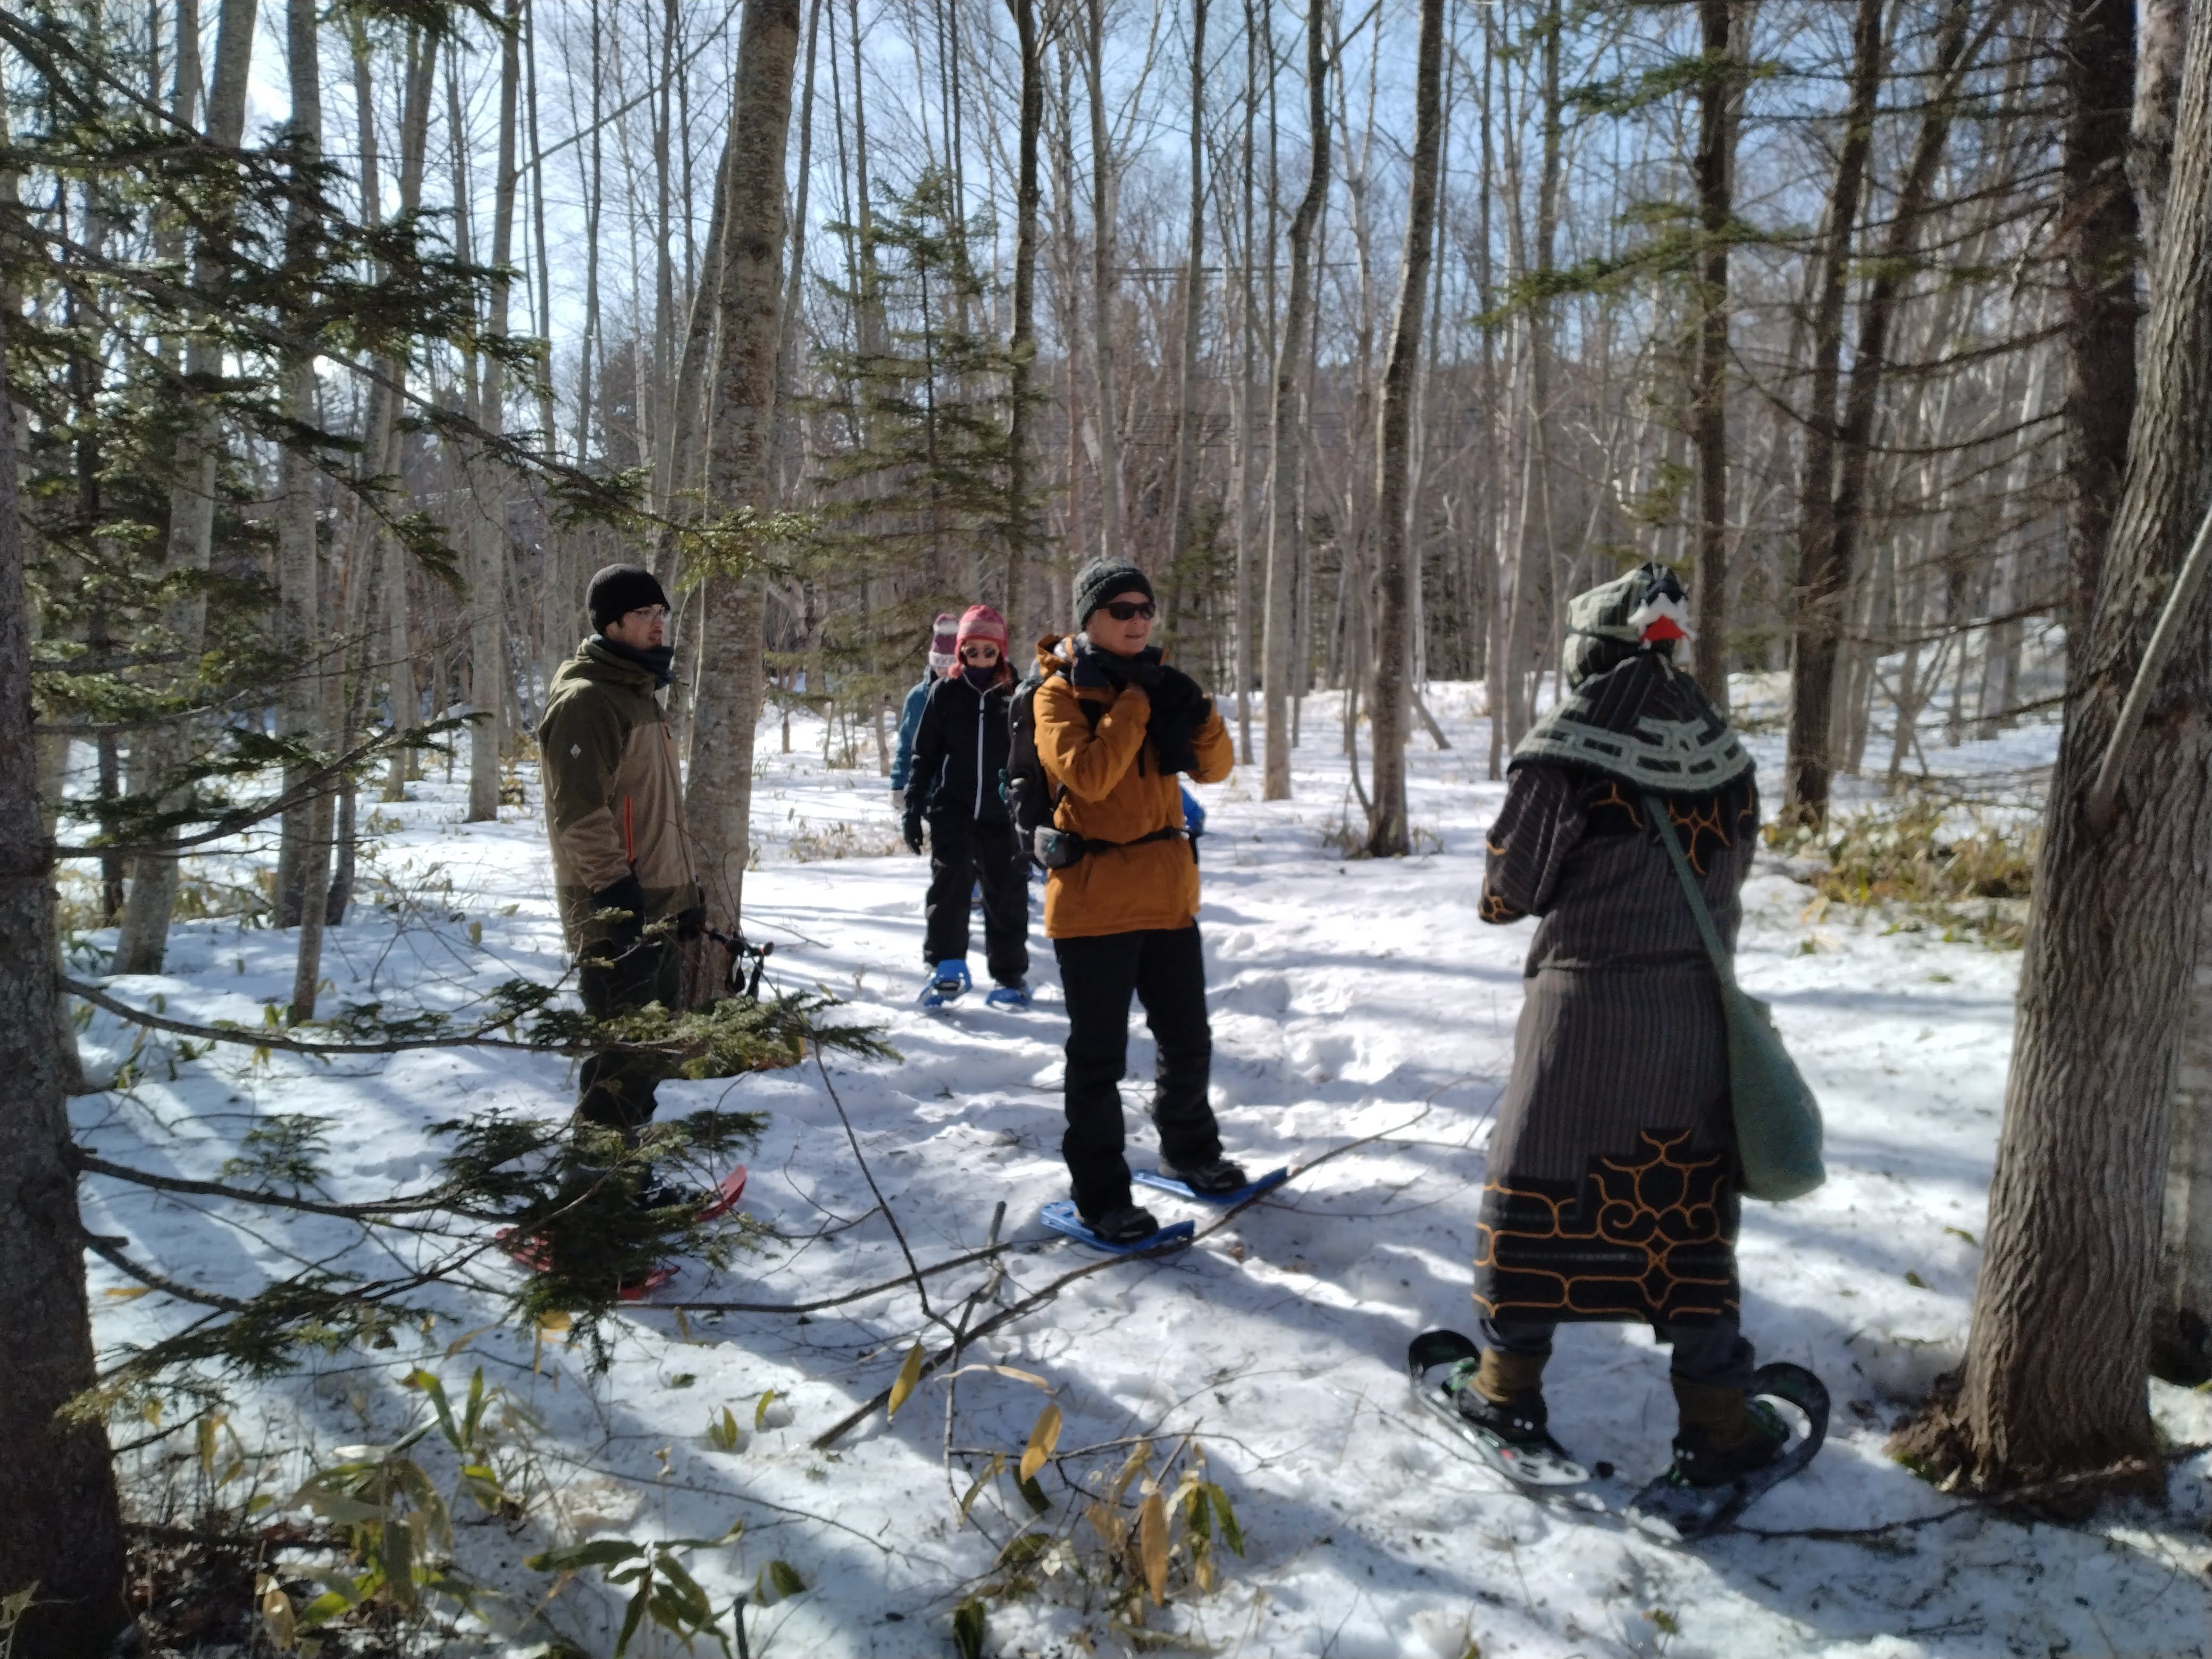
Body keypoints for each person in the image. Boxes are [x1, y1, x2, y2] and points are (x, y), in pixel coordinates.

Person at [1457, 560, 1784, 1487]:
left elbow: (1505, 894)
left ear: (1586, 655)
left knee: (1535, 1195)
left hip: (1581, 1018)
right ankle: (1718, 1423)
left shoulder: (1567, 753)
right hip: (1688, 1023)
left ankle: (1505, 1390)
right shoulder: (1728, 758)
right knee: (1682, 1211)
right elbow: (1730, 876)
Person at [1031, 558, 1245, 1243]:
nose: (1136, 621)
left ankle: (1190, 1151)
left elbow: (1214, 769)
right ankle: (1101, 1196)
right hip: (1093, 904)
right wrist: (1134, 703)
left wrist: (1198, 709)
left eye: (1144, 610)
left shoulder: (1159, 685)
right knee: (1097, 1059)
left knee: (1188, 1041)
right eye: (1120, 610)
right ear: (1088, 618)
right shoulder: (1057, 695)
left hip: (1166, 896)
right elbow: (1089, 778)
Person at [538, 563, 706, 1204]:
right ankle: (595, 1194)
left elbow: (654, 808)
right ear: (609, 624)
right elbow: (578, 813)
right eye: (643, 615)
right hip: (616, 908)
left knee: (648, 1052)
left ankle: (622, 1180)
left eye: (661, 613)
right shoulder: (587, 699)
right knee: (622, 1056)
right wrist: (614, 893)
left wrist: (683, 893)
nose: (658, 623)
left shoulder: (638, 691)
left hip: (656, 899)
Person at [904, 605, 1030, 1007]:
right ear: (959, 652)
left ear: (1001, 652)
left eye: (988, 652)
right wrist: (913, 806)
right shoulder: (946, 693)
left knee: (1006, 897)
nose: (979, 660)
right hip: (953, 811)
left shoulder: (1017, 694)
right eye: (971, 651)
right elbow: (923, 754)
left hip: (1003, 816)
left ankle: (1009, 976)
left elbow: (1035, 757)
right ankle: (946, 967)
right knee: (949, 891)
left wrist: (1033, 809)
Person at [892, 613, 961, 811]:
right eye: (940, 665)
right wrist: (899, 785)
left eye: (950, 666)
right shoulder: (917, 698)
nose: (944, 672)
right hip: (926, 793)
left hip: (962, 795)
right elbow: (906, 745)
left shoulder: (969, 697)